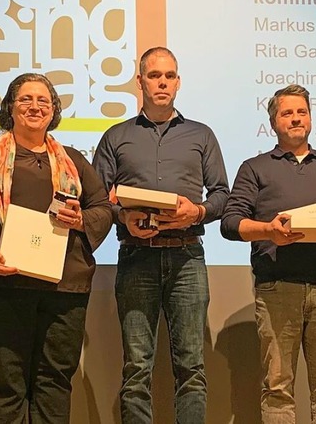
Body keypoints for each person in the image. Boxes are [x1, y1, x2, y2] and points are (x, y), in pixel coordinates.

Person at [0, 72, 112, 423]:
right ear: (10, 107)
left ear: (54, 110)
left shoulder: (73, 160)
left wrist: (81, 220)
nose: (35, 106)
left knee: (54, 384)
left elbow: (102, 208)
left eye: (43, 101)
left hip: (62, 291)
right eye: (25, 99)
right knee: (4, 387)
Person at [92, 47, 229, 423]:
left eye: (169, 75)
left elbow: (222, 195)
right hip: (136, 256)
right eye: (154, 75)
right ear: (140, 81)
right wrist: (124, 215)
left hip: (188, 257)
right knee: (136, 369)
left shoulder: (202, 134)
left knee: (192, 367)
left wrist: (196, 212)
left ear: (179, 82)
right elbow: (97, 201)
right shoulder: (115, 137)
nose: (162, 82)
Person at [220, 84, 316, 423]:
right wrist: (269, 231)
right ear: (273, 122)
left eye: (301, 112)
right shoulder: (255, 167)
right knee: (277, 389)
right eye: (287, 113)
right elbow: (230, 223)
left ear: (311, 118)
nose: (296, 118)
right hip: (276, 287)